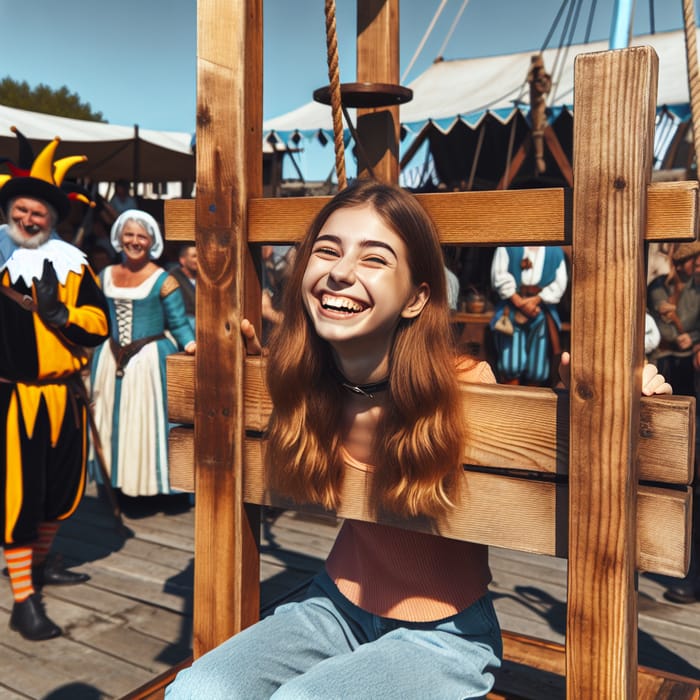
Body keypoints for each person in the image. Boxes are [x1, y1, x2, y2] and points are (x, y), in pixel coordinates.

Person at [165, 179, 672, 699]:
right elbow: (255, 400)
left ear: (415, 298)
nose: (340, 271)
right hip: (334, 604)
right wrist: (241, 372)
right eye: (328, 250)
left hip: (445, 635)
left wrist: (601, 411)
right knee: (195, 691)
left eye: (374, 259)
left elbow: (550, 474)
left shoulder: (467, 387)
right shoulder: (299, 379)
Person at [0, 130, 110, 641]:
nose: (28, 219)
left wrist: (62, 312)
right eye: (21, 210)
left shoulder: (72, 265)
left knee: (60, 494)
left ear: (52, 218)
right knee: (19, 500)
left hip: (64, 397)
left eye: (38, 213)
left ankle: (35, 569)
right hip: (13, 398)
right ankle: (25, 602)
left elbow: (99, 322)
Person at [89, 210, 195, 499]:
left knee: (145, 424)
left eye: (141, 236)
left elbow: (178, 323)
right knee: (112, 420)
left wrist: (190, 345)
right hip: (109, 358)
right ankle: (116, 481)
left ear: (151, 242)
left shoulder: (163, 279)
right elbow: (96, 318)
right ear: (119, 237)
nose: (134, 241)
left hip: (149, 361)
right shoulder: (104, 276)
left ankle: (151, 487)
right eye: (129, 235)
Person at [649, 240, 700, 604]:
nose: (689, 268)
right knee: (668, 460)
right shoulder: (659, 288)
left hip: (694, 369)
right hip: (669, 369)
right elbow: (660, 316)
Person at [489, 245, 568, 386]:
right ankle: (510, 398)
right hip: (511, 310)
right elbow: (499, 275)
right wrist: (519, 302)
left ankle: (532, 397)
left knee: (538, 365)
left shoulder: (555, 252)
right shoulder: (507, 247)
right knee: (510, 362)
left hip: (541, 312)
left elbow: (559, 283)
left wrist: (536, 300)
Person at [169, 243, 197, 333]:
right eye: (194, 256)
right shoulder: (172, 277)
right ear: (183, 260)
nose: (198, 260)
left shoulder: (204, 277)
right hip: (185, 320)